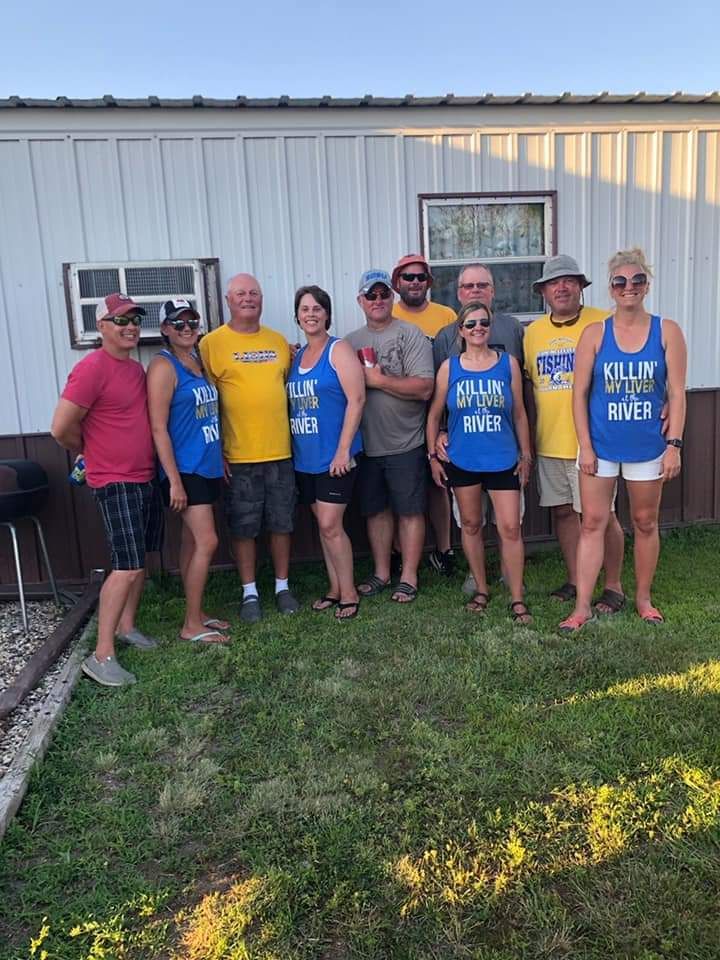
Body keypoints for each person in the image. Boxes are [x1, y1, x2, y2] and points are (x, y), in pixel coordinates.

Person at [560, 248, 687, 631]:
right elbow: (578, 393)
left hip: (648, 446)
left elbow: (677, 393)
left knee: (645, 522)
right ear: (611, 289)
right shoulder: (594, 334)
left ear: (646, 285)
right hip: (601, 446)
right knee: (592, 522)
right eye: (620, 281)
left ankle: (643, 599)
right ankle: (581, 607)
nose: (628, 287)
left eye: (636, 280)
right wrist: (585, 444)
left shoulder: (667, 331)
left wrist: (674, 445)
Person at [50, 293, 163, 687]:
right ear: (101, 327)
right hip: (114, 480)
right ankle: (101, 656)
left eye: (134, 319)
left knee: (137, 559)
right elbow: (60, 427)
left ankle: (126, 626)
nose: (130, 326)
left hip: (142, 475)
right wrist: (87, 451)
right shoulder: (91, 369)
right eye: (120, 320)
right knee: (126, 565)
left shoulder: (133, 370)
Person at [524, 255, 626, 612]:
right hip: (550, 442)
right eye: (554, 283)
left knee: (602, 517)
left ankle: (613, 585)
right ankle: (575, 578)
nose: (562, 287)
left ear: (581, 287)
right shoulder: (533, 334)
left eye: (569, 281)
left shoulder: (604, 322)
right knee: (564, 514)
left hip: (594, 444)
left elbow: (635, 363)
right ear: (544, 291)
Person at [199, 273, 298, 623]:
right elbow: (205, 403)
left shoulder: (278, 341)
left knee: (282, 523)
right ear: (228, 300)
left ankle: (282, 587)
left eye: (254, 293)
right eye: (240, 293)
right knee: (243, 527)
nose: (248, 298)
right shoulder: (210, 344)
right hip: (237, 455)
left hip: (281, 452)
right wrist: (216, 452)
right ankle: (250, 592)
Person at [427, 301, 533, 623]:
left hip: (502, 458)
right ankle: (482, 590)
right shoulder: (450, 367)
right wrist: (432, 454)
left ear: (490, 326)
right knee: (471, 525)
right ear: (460, 330)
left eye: (483, 323)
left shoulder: (508, 364)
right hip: (463, 459)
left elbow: (519, 413)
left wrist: (526, 455)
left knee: (510, 527)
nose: (477, 329)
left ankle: (517, 598)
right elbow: (433, 415)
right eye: (470, 324)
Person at [345, 269, 434, 603]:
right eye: (371, 295)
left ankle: (409, 575)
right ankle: (382, 572)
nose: (378, 301)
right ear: (360, 301)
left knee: (410, 511)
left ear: (392, 297)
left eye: (384, 294)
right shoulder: (349, 342)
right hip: (366, 444)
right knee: (375, 510)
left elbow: (425, 388)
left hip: (405, 441)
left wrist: (379, 381)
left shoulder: (410, 334)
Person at [146, 299, 228, 645]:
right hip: (186, 469)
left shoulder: (196, 360)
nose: (187, 329)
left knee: (191, 540)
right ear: (165, 329)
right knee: (208, 541)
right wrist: (174, 480)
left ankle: (196, 612)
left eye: (192, 321)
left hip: (207, 463)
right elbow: (158, 428)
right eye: (178, 324)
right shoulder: (163, 367)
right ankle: (191, 626)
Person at [287, 285, 365, 620]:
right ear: (297, 316)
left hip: (336, 457)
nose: (311, 314)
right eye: (305, 309)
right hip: (306, 456)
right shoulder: (296, 358)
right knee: (323, 525)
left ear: (327, 314)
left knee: (332, 524)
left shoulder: (339, 350)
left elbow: (357, 399)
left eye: (317, 308)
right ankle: (334, 588)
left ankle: (349, 593)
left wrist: (343, 450)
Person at [391, 253, 457, 577]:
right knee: (400, 486)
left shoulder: (446, 316)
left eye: (420, 278)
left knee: (438, 484)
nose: (414, 283)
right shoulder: (386, 314)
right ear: (397, 283)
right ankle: (399, 553)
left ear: (429, 283)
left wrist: (446, 423)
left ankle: (444, 550)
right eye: (408, 277)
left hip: (439, 412)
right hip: (398, 416)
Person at [433, 262, 525, 369]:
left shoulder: (513, 328)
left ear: (492, 291)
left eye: (482, 285)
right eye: (468, 286)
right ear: (459, 294)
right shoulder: (445, 336)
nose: (475, 290)